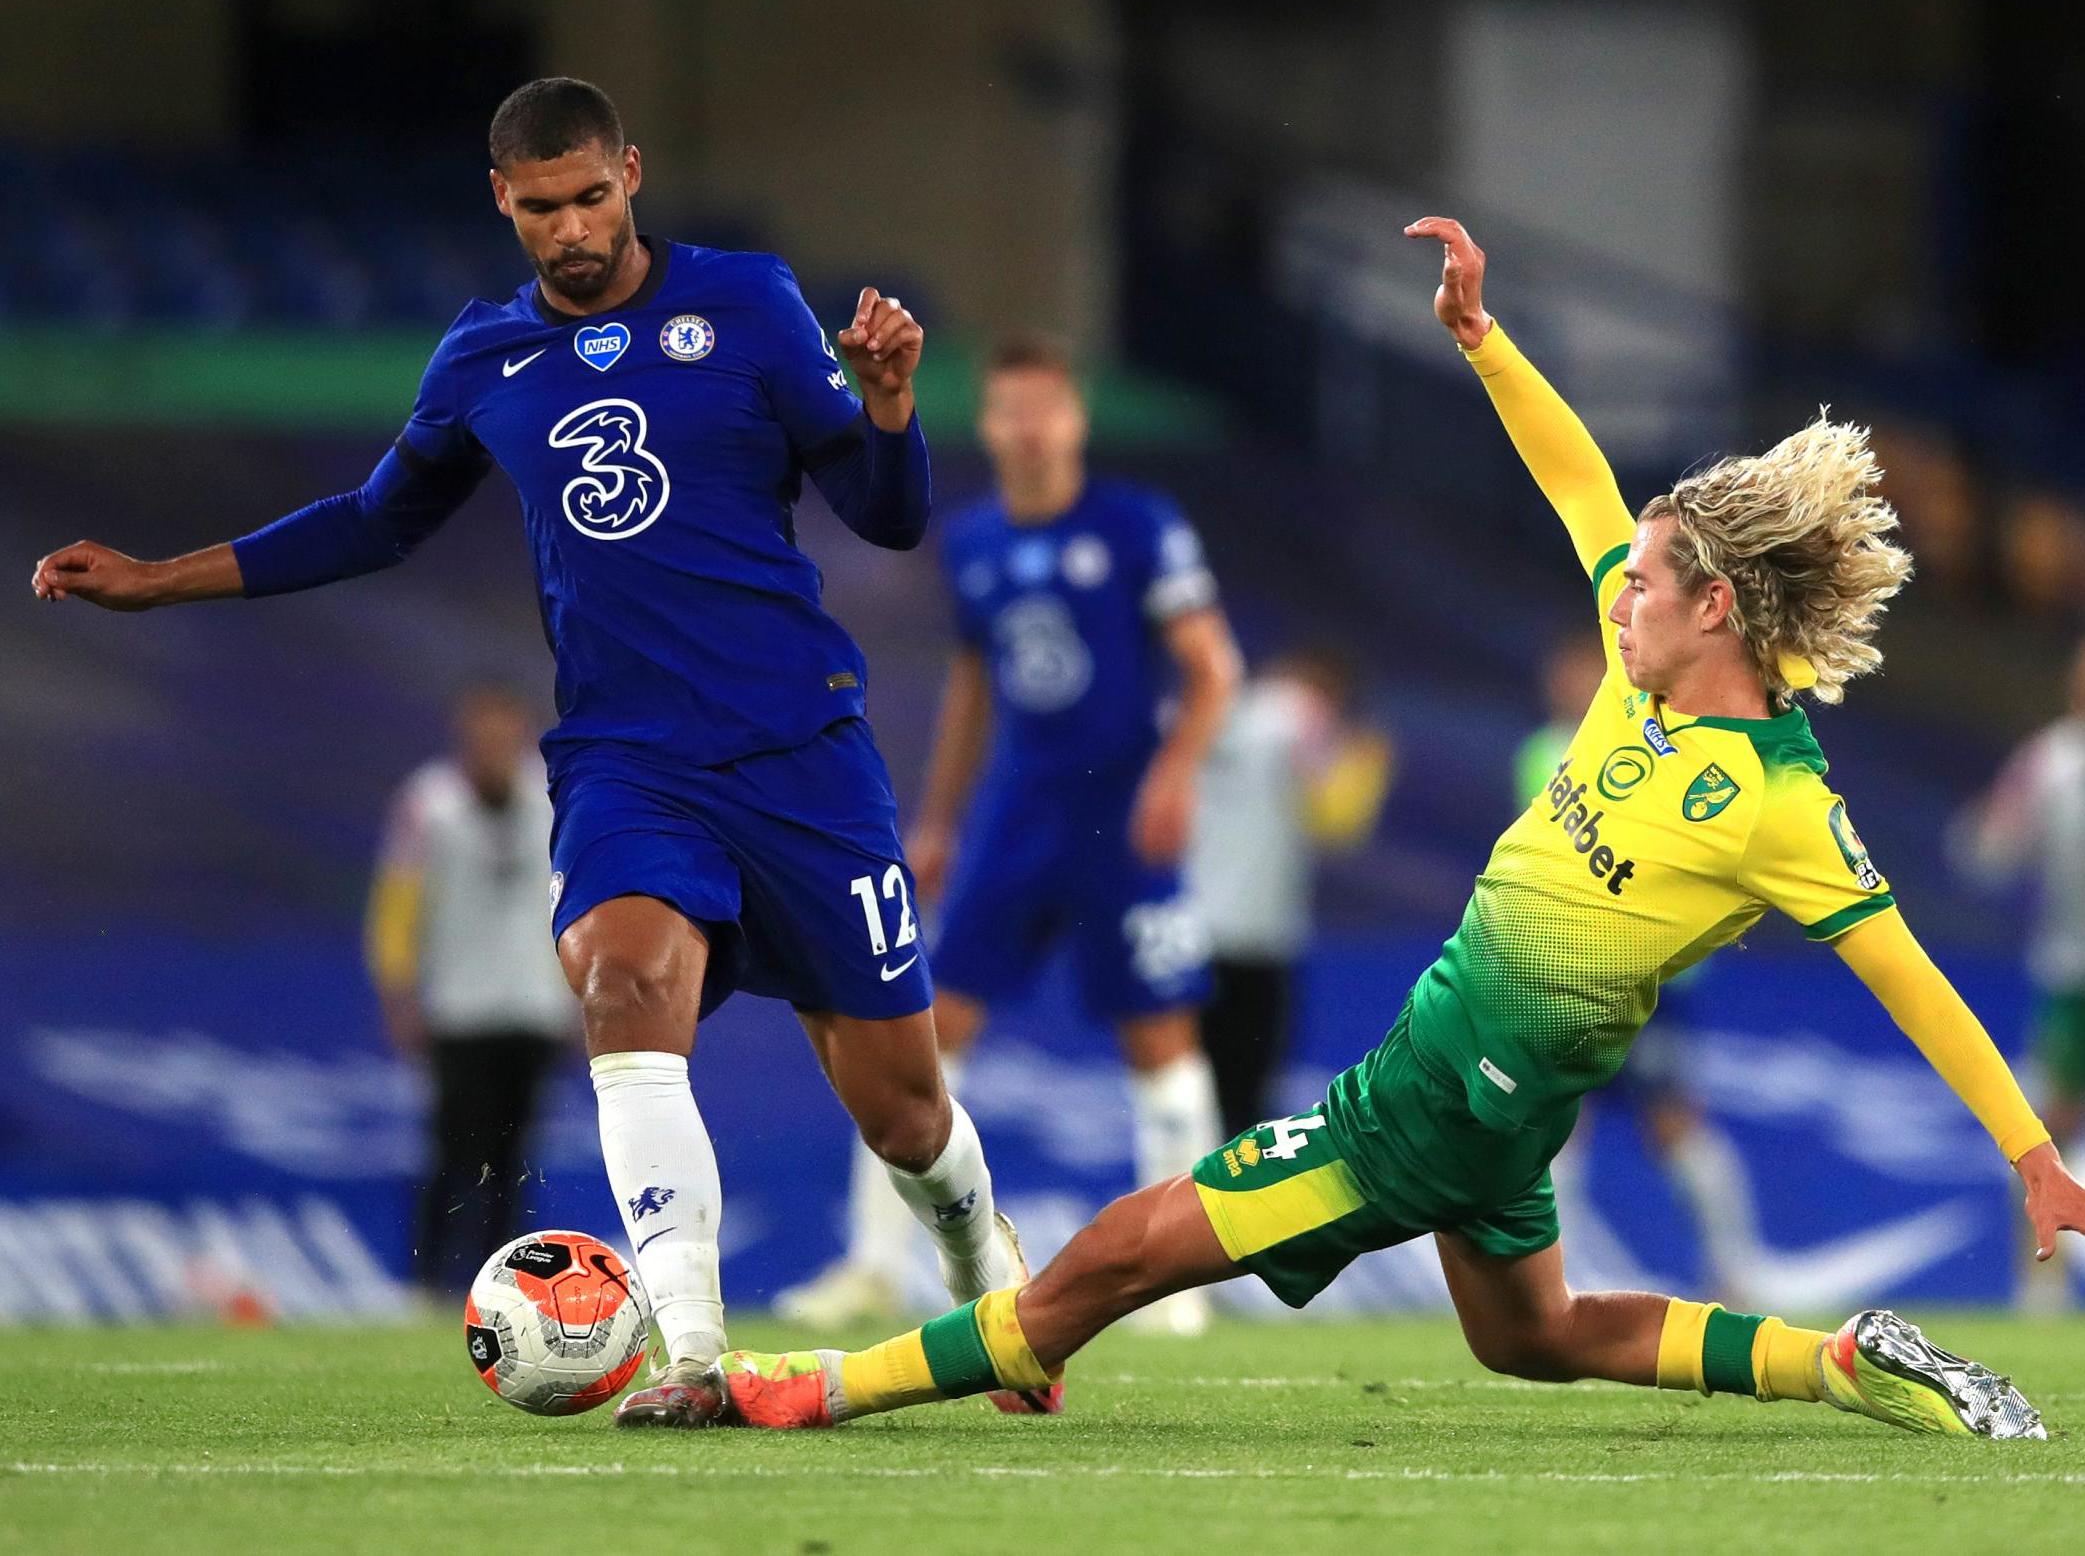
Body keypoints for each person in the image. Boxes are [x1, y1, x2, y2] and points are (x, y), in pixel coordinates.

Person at [683, 217, 2082, 1440]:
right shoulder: (1637, 663)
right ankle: (1838, 1361)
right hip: (1495, 1104)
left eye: (1646, 586)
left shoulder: (1780, 800)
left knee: (1105, 1259)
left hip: (1428, 1110)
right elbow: (1582, 485)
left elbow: (1908, 973)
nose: (1618, 596)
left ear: (1715, 607)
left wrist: (2033, 1156)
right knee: (1530, 1335)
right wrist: (1481, 342)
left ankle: (811, 1389)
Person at [30, 77, 1033, 1426]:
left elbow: (885, 513)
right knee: (621, 983)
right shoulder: (484, 359)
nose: (570, 230)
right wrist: (161, 579)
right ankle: (689, 1355)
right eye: (541, 209)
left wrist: (895, 410)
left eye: (591, 199)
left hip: (802, 749)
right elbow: (376, 521)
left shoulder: (746, 300)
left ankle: (988, 1281)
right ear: (504, 201)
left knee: (905, 1119)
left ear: (630, 173)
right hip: (628, 761)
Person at [776, 335, 1240, 1337]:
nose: (1028, 429)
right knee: (927, 1035)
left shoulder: (1135, 525)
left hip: (1121, 814)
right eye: (1009, 410)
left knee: (1159, 1036)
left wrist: (1174, 773)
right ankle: (874, 1263)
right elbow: (975, 688)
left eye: (1045, 407)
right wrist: (940, 816)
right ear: (988, 425)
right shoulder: (975, 539)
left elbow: (1212, 667)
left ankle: (1184, 1283)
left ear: (1074, 417)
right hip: (1016, 813)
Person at [1517, 633, 1763, 1304]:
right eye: (1563, 676)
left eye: (1586, 674)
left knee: (1672, 1123)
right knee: (1560, 1122)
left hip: (1653, 974)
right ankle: (1550, 1280)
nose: (1572, 687)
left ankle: (1735, 1270)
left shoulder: (1669, 745)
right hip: (1572, 973)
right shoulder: (1541, 755)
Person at [367, 680, 576, 1296]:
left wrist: (580, 997)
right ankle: (428, 1283)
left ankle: (505, 1288)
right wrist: (399, 990)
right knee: (450, 1148)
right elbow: (398, 904)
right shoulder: (429, 803)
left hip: (534, 1004)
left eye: (503, 733)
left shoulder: (553, 796)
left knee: (515, 1156)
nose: (493, 746)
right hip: (458, 1007)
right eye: (482, 734)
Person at [1191, 647, 1393, 1139]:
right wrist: (1367, 757)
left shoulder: (1210, 712)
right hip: (1260, 943)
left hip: (1191, 930)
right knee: (1244, 1108)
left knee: (1187, 1094)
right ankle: (1222, 1211)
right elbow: (1341, 819)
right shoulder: (1303, 717)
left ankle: (1166, 1206)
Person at [1955, 637, 2085, 1308]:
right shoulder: (2050, 761)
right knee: (2044, 1128)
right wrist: (1987, 837)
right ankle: (2040, 1282)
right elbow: (1992, 852)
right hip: (2070, 980)